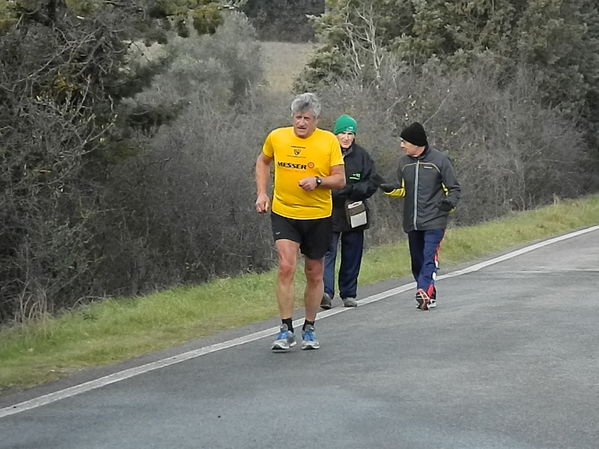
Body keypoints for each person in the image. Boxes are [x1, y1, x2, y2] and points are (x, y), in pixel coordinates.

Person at [255, 93, 346, 351]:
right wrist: (262, 193)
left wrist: (318, 182)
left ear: (316, 119)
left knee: (314, 272)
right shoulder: (277, 137)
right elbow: (263, 162)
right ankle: (285, 328)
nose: (301, 123)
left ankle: (309, 326)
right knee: (286, 266)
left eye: (307, 118)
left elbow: (339, 180)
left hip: (317, 215)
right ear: (291, 117)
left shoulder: (328, 141)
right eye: (298, 117)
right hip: (285, 212)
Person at [380, 122, 460, 310]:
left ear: (417, 143)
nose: (401, 145)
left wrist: (449, 203)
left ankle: (423, 289)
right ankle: (429, 294)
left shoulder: (440, 161)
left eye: (404, 141)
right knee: (417, 261)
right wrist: (387, 188)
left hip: (434, 220)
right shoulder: (403, 163)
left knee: (428, 257)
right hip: (412, 221)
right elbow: (402, 190)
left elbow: (454, 189)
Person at [320, 114, 379, 309]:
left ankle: (349, 293)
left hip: (354, 210)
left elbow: (372, 182)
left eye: (350, 133)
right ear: (335, 134)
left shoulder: (362, 156)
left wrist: (352, 190)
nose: (346, 137)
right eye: (343, 133)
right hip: (329, 210)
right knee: (327, 252)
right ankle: (326, 293)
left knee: (352, 253)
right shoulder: (324, 152)